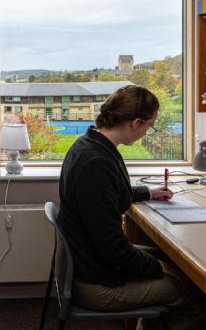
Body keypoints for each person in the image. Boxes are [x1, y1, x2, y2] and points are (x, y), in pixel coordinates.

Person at [57, 85, 206, 330]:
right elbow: (114, 250)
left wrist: (148, 192)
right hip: (96, 285)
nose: (148, 132)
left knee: (170, 262)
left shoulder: (90, 144)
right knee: (191, 292)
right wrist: (157, 267)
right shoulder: (96, 163)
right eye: (150, 125)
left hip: (90, 264)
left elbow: (106, 195)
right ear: (136, 122)